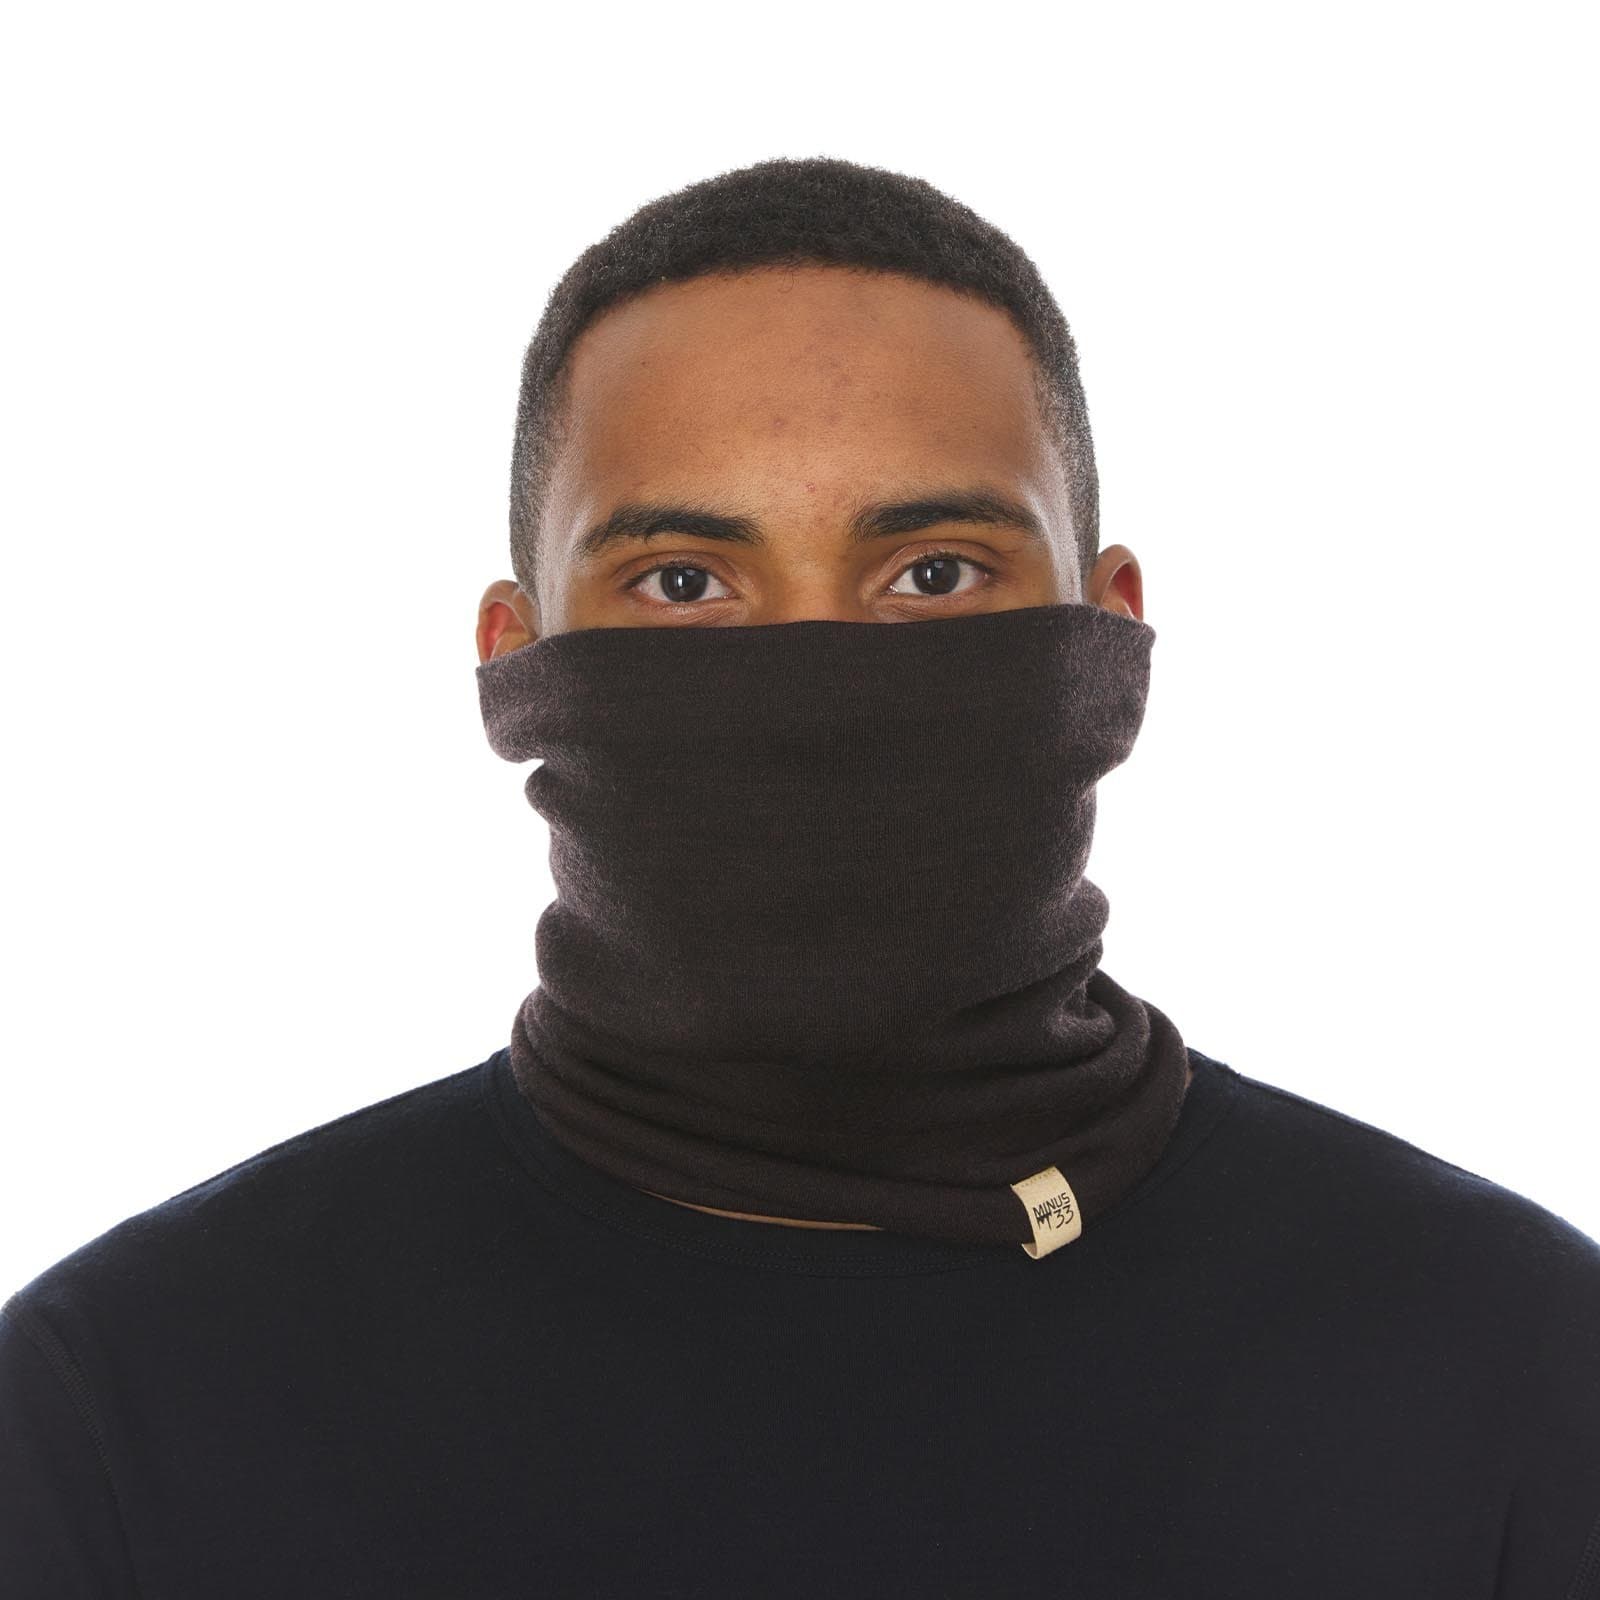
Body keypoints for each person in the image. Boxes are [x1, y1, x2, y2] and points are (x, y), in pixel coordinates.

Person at [3, 154, 1596, 1598]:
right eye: (684, 582)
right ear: (512, 657)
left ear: (1109, 635)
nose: (816, 679)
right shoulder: (126, 1415)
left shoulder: (1513, 1371)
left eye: (935, 573)